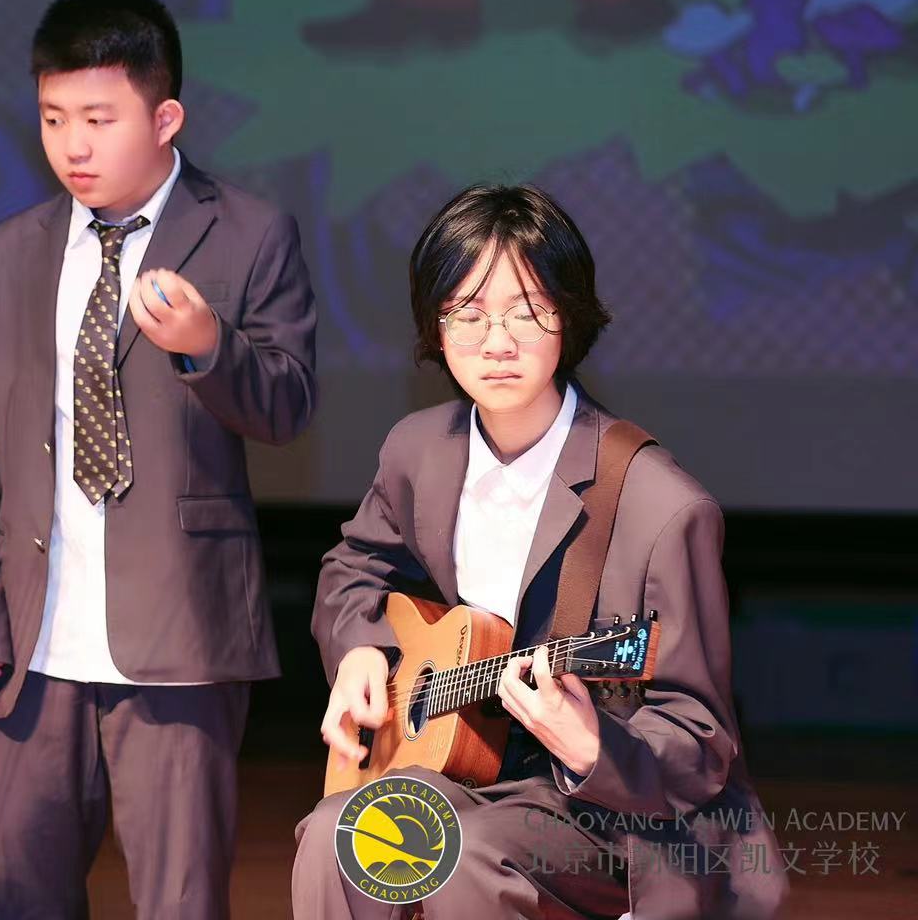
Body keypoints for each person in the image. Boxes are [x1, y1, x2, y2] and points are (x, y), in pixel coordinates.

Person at [293, 184, 784, 918]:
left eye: (527, 312)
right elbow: (353, 568)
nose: (497, 343)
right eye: (468, 314)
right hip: (464, 768)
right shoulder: (418, 451)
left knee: (461, 855)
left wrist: (591, 744)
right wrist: (361, 647)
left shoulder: (663, 507)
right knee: (340, 833)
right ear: (435, 325)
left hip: (608, 812)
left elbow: (699, 739)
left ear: (569, 316)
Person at [0, 0, 318, 916]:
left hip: (182, 636)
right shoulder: (3, 255)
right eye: (53, 118)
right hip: (30, 644)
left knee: (181, 902)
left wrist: (210, 345)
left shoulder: (250, 233)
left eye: (99, 119)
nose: (73, 145)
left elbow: (289, 407)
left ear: (165, 118)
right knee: (23, 901)